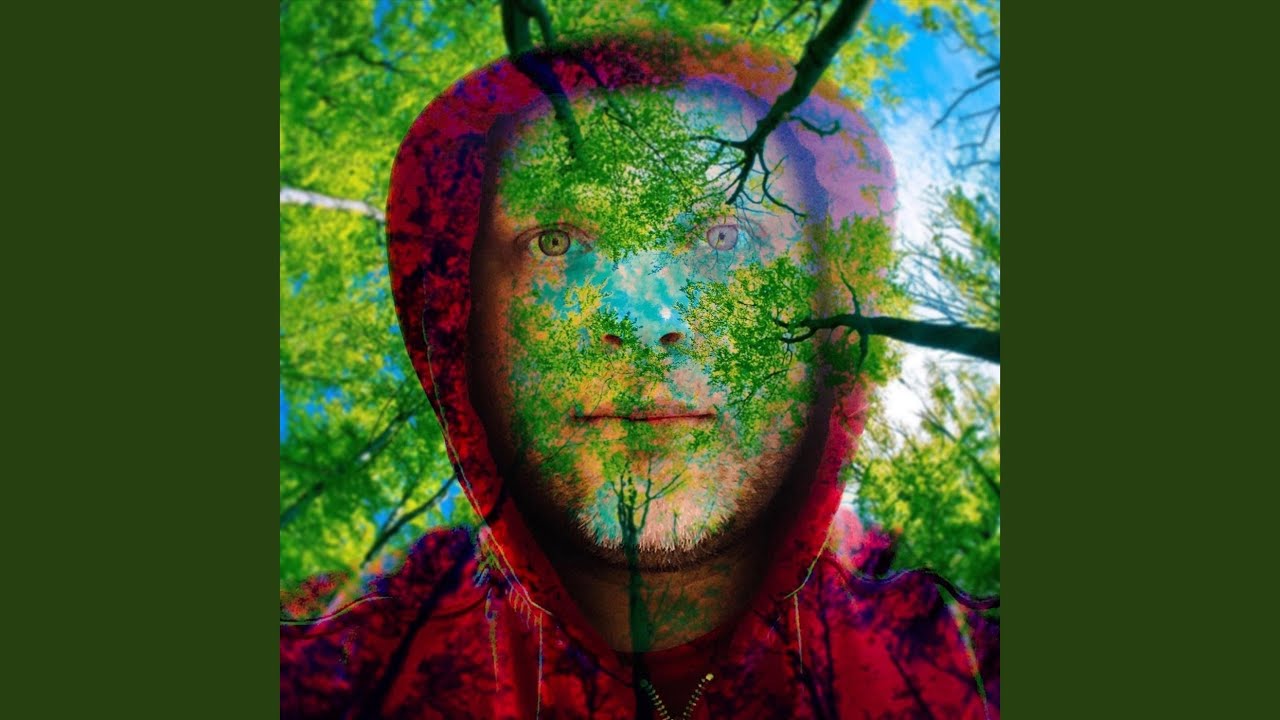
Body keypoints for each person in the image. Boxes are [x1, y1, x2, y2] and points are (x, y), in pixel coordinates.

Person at [282, 32, 999, 719]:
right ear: (462, 321)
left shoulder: (970, 663)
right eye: (557, 242)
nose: (645, 317)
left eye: (725, 237)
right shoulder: (336, 671)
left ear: (826, 313)